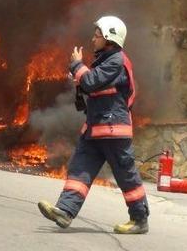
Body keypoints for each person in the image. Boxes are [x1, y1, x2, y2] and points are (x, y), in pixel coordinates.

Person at [38, 16, 149, 234]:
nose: (93, 39)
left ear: (109, 37)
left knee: (126, 176)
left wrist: (77, 65)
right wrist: (79, 76)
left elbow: (91, 82)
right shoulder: (106, 61)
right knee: (80, 169)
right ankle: (65, 211)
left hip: (113, 131)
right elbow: (91, 86)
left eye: (97, 35)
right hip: (96, 129)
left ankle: (139, 220)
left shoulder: (117, 61)